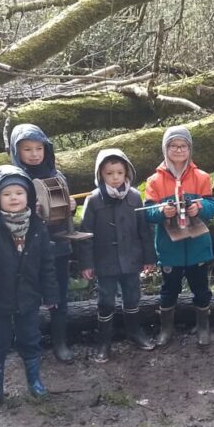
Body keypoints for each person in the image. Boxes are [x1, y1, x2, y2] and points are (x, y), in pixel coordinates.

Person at [0, 165, 57, 408]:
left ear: (28, 195)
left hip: (28, 298)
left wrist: (50, 295)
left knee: (30, 338)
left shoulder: (37, 227)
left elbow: (47, 264)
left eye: (19, 192)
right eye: (7, 194)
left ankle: (35, 382)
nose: (14, 198)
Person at [79, 149, 157, 361]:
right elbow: (85, 234)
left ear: (126, 173)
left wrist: (149, 257)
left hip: (131, 259)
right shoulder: (93, 200)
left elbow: (144, 230)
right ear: (100, 175)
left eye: (119, 173)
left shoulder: (134, 196)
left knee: (132, 297)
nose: (115, 178)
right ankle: (104, 341)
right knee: (106, 301)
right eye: (109, 173)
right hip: (105, 262)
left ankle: (135, 332)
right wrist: (86, 263)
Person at [8, 124, 78, 362]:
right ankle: (28, 345)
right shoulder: (11, 178)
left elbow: (66, 208)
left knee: (58, 295)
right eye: (27, 149)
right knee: (26, 297)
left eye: (39, 148)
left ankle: (60, 342)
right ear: (16, 151)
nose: (35, 154)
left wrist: (71, 207)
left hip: (56, 246)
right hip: (24, 249)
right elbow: (1, 212)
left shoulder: (56, 176)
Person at [144, 126, 214, 347]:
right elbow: (147, 212)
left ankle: (203, 328)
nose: (178, 149)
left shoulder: (201, 177)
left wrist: (200, 207)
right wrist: (161, 212)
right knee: (169, 290)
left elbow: (212, 207)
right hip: (170, 248)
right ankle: (166, 329)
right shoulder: (154, 181)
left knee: (201, 289)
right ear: (165, 149)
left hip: (198, 246)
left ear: (190, 149)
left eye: (183, 145)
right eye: (173, 145)